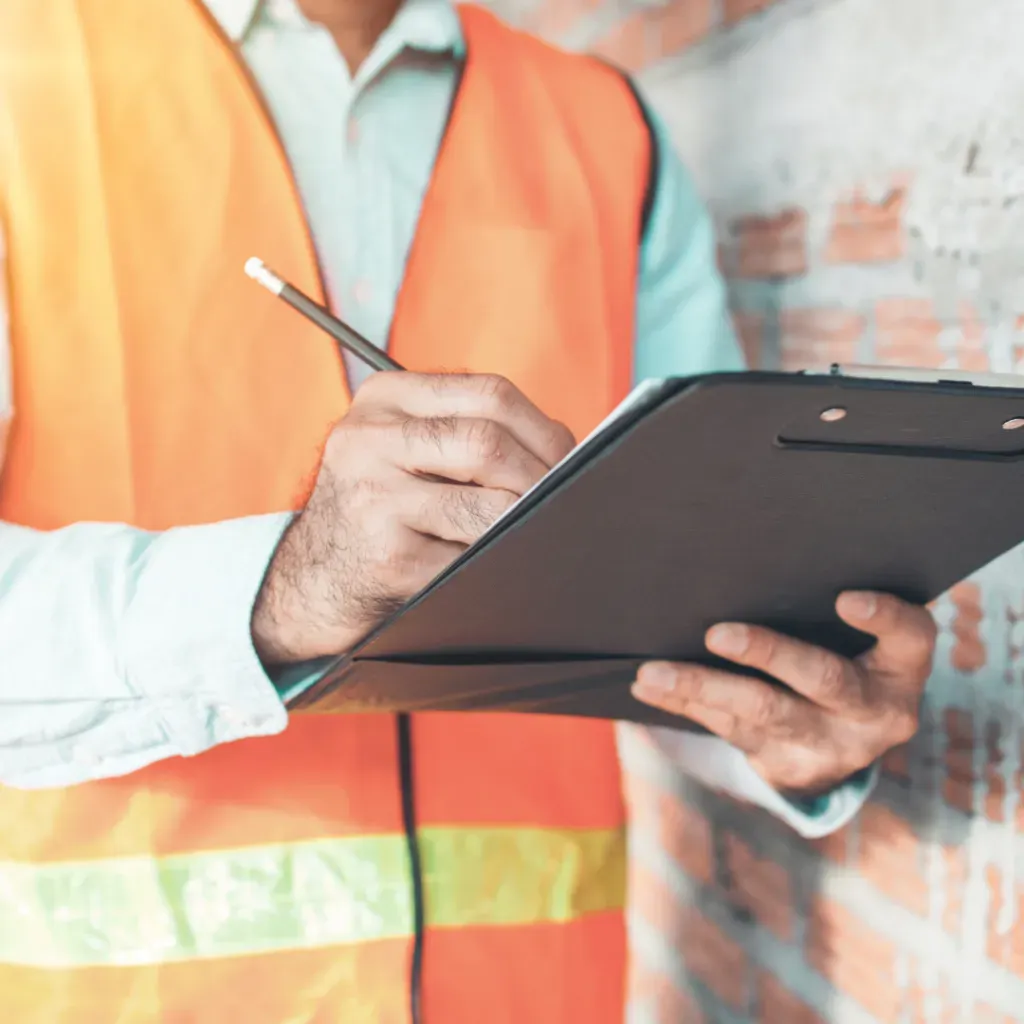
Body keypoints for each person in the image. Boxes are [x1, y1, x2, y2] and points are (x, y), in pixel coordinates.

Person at [0, 1, 937, 1021]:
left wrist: (788, 724)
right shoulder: (23, 75)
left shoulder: (608, 131)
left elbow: (676, 585)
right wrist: (286, 590)